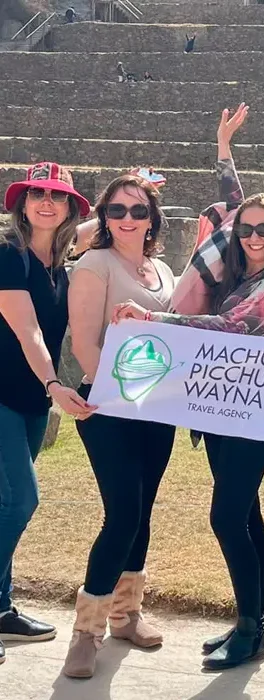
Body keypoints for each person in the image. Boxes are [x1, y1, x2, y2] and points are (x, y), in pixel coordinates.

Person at [117, 106, 264, 672]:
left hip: (252, 404)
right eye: (246, 229)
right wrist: (224, 149)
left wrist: (157, 323)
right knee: (245, 512)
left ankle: (251, 625)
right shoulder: (243, 265)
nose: (252, 236)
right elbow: (236, 206)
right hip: (222, 402)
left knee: (226, 517)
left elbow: (233, 329)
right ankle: (254, 620)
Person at [61, 174, 177, 679]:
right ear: (104, 219)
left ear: (152, 218)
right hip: (109, 407)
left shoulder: (164, 271)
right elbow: (85, 344)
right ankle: (87, 631)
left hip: (159, 407)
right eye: (117, 211)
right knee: (122, 513)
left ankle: (128, 613)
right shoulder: (95, 263)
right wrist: (111, 397)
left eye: (137, 210)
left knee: (143, 512)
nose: (127, 219)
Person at [0, 163, 93, 667]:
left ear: (69, 209)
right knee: (19, 502)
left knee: (3, 504)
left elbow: (102, 223)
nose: (45, 202)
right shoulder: (8, 257)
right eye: (37, 193)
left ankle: (1, 607)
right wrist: (55, 383)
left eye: (57, 196)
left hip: (29, 400)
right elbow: (28, 331)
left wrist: (135, 189)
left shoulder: (60, 264)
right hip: (4, 397)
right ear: (23, 202)